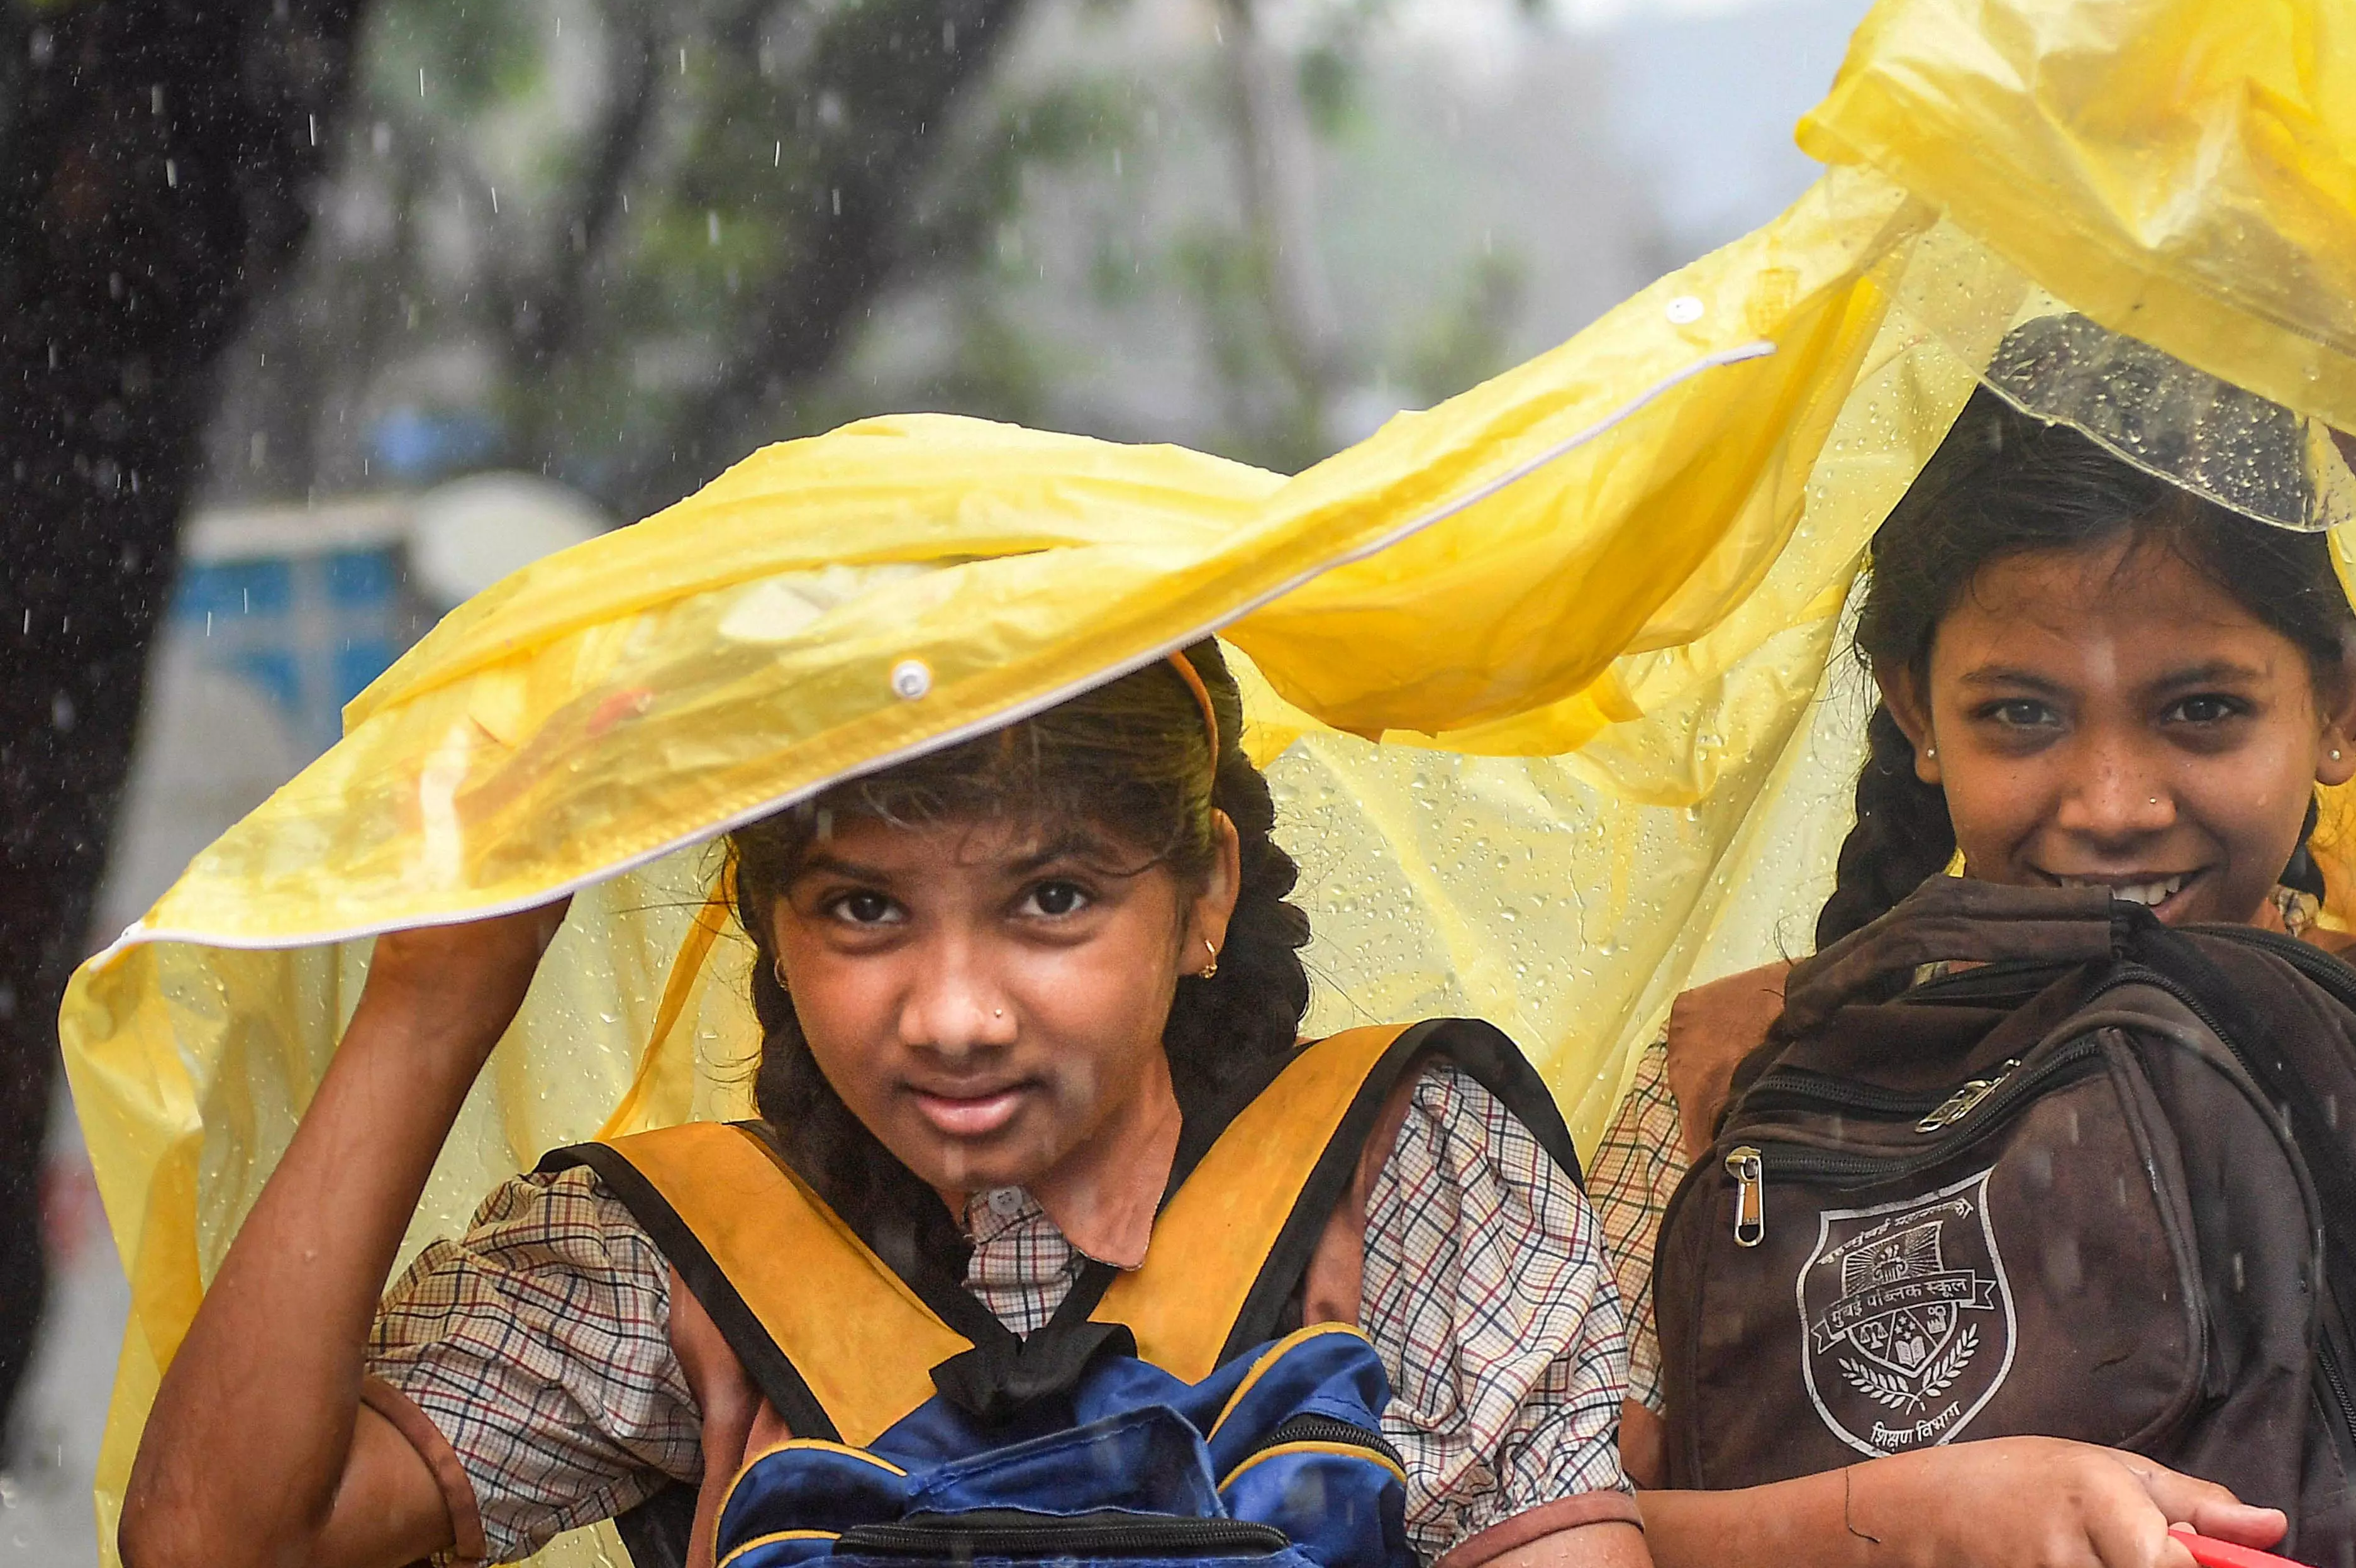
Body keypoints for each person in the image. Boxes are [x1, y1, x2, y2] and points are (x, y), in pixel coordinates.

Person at [117, 641, 1646, 1568]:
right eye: (863, 909)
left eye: (1052, 898)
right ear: (769, 927)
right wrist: (435, 995)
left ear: (1203, 901)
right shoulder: (678, 1260)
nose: (956, 1013)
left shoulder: (1406, 1173)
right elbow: (220, 1538)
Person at [1586, 321, 2356, 1568]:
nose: (2111, 801)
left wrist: (2338, 323)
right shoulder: (1724, 1067)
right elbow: (1540, 1530)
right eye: (2022, 712)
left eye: (2202, 710)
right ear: (1914, 707)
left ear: (2344, 702)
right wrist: (1922, 1519)